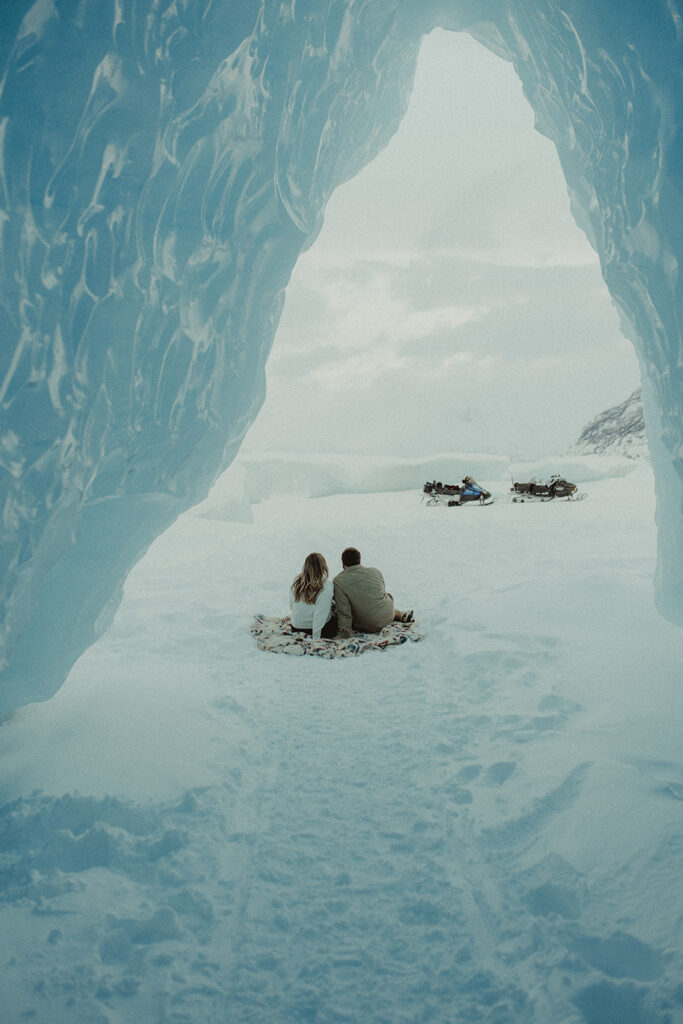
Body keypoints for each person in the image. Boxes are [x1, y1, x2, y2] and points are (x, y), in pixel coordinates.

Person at [333, 547, 413, 639]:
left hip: (368, 625)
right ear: (359, 560)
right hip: (388, 616)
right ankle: (399, 615)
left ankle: (396, 615)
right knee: (387, 596)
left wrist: (344, 634)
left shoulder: (338, 581)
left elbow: (344, 612)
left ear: (343, 563)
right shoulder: (375, 572)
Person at [289, 552, 338, 640]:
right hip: (317, 630)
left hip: (296, 627)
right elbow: (320, 614)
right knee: (336, 615)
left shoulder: (296, 583)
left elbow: (291, 606)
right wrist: (316, 638)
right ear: (323, 567)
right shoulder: (326, 586)